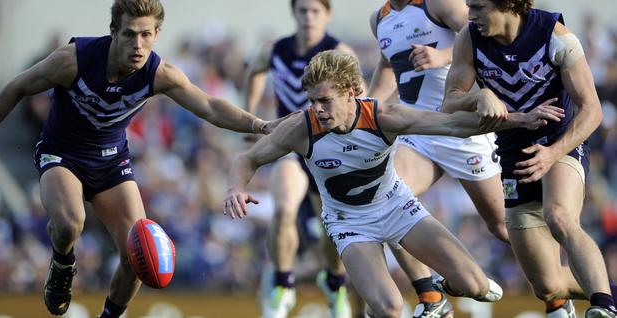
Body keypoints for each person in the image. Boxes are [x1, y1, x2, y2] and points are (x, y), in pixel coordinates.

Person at [0, 0, 285, 318]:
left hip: (111, 160)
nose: (138, 45)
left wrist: (259, 125)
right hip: (62, 154)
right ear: (114, 32)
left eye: (146, 35)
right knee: (69, 223)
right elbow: (15, 87)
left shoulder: (160, 74)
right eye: (130, 34)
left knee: (138, 253)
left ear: (156, 33)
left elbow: (208, 106)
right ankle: (63, 264)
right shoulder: (73, 60)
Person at [224, 50, 567, 318]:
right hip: (349, 224)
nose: (317, 109)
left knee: (478, 287)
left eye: (324, 100)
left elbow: (453, 125)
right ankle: (390, 302)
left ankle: (437, 288)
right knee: (389, 309)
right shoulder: (302, 127)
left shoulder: (383, 117)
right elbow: (247, 159)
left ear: (349, 94)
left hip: (397, 207)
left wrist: (521, 118)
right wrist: (236, 188)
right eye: (312, 100)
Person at [442, 0, 616, 318]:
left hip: (561, 140)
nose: (469, 14)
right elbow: (449, 104)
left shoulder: (555, 35)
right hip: (512, 153)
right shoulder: (469, 39)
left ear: (506, 1)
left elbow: (592, 110)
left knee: (559, 217)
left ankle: (604, 306)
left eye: (477, 6)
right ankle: (599, 293)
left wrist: (553, 154)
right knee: (547, 285)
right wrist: (478, 95)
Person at [366, 0, 506, 316]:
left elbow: (480, 32)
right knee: (386, 201)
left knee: (503, 226)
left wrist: (443, 57)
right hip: (420, 132)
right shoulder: (379, 18)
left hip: (462, 129)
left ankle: (559, 294)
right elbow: (387, 66)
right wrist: (365, 110)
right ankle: (431, 297)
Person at [243, 0, 354, 318]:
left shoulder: (340, 52)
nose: (308, 17)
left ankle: (334, 282)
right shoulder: (276, 49)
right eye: (303, 11)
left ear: (327, 14)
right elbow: (253, 72)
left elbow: (357, 99)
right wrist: (251, 119)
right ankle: (281, 282)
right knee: (285, 208)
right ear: (294, 13)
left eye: (315, 11)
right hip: (291, 144)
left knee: (330, 224)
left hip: (328, 146)